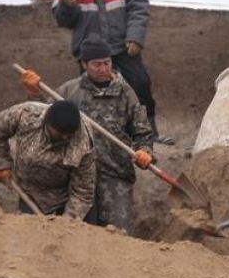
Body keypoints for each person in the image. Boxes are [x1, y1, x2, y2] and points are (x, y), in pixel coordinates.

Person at [22, 34, 154, 234]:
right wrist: (34, 94)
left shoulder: (126, 94)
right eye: (96, 64)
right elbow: (41, 119)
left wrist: (145, 152)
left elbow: (142, 131)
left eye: (107, 63)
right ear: (84, 64)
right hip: (76, 174)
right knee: (79, 233)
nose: (103, 69)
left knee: (120, 235)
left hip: (115, 174)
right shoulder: (68, 91)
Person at [51, 0, 173, 145]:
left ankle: (148, 135)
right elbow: (62, 20)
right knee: (92, 96)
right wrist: (67, 5)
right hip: (90, 50)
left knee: (140, 85)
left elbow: (139, 6)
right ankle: (96, 140)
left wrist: (135, 36)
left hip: (123, 45)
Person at [0, 101, 95, 219]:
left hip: (63, 197)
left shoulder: (83, 142)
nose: (65, 138)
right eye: (61, 134)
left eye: (69, 135)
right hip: (30, 194)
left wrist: (67, 223)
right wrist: (2, 164)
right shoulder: (26, 114)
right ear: (48, 124)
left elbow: (83, 192)